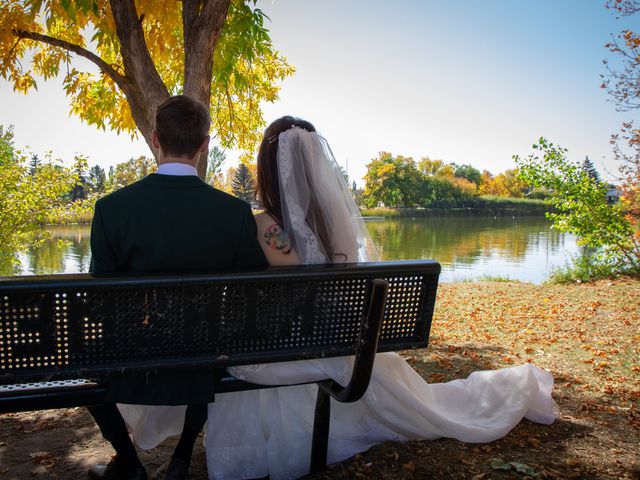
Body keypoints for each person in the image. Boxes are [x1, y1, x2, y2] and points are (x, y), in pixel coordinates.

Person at [119, 117, 557, 480]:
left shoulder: (257, 223)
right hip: (341, 342)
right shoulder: (336, 223)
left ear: (268, 168)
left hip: (273, 353)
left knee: (231, 349)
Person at [88, 95, 268, 480]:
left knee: (85, 365)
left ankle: (130, 463)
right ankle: (182, 456)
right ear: (205, 144)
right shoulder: (233, 212)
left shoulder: (111, 209)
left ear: (155, 139)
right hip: (205, 349)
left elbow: (100, 299)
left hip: (132, 349)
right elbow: (251, 294)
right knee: (207, 342)